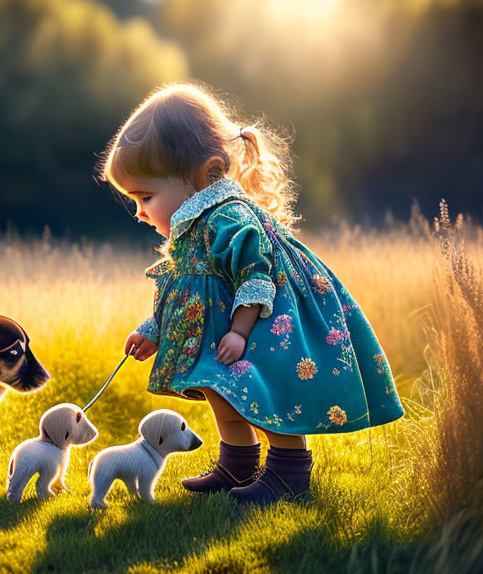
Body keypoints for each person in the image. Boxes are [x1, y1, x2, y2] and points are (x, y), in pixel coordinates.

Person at [100, 82, 404, 505]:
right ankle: (238, 464)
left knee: (264, 382)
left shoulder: (228, 218)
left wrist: (241, 331)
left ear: (203, 176)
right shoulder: (192, 226)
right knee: (218, 387)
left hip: (264, 318)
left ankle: (288, 473)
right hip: (227, 325)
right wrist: (153, 328)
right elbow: (181, 291)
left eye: (146, 196)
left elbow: (254, 273)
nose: (140, 212)